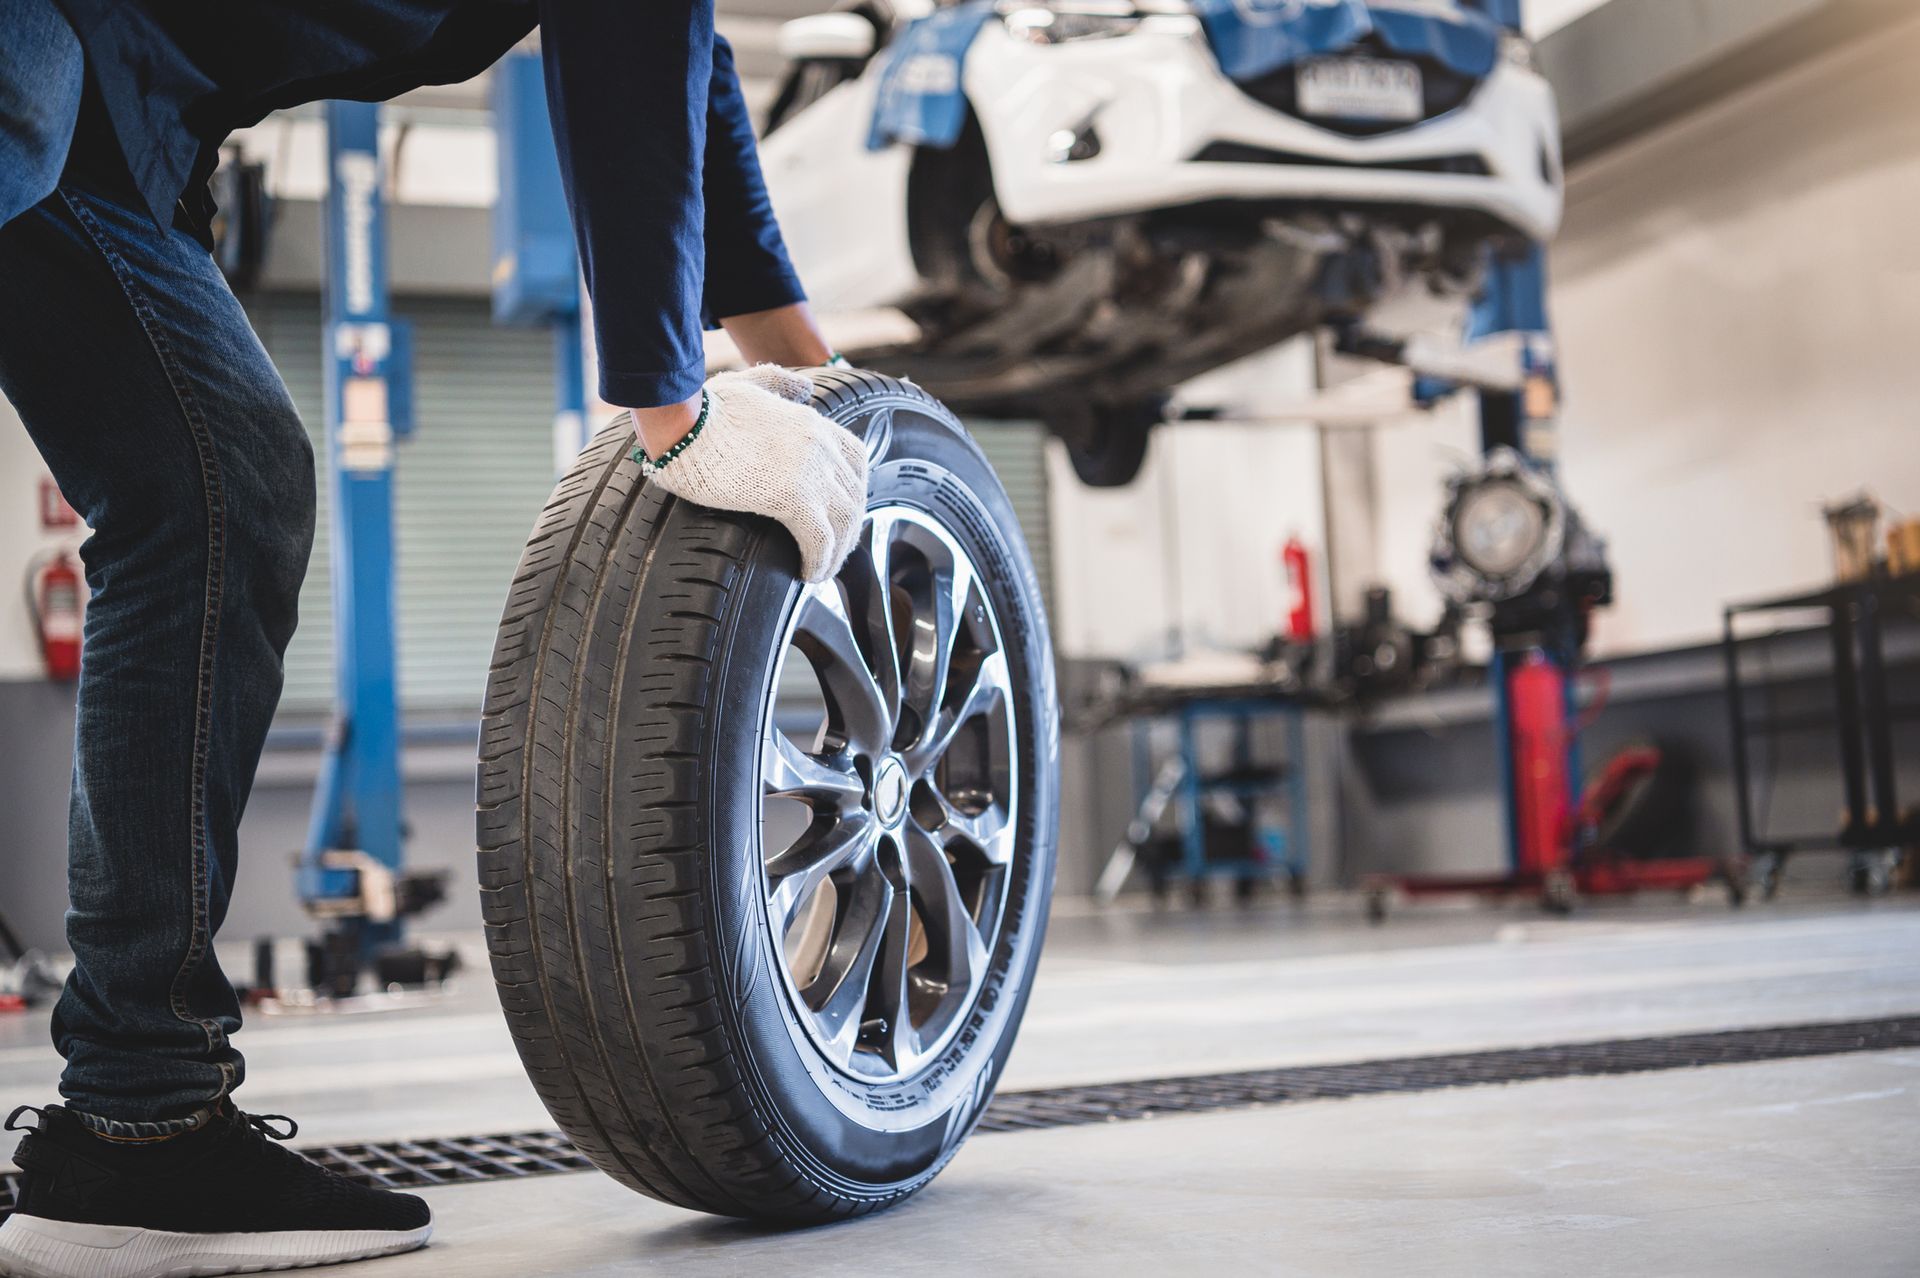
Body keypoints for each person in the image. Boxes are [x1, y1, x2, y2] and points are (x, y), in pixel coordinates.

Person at [0, 1, 867, 1273]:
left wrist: (823, 388)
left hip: (110, 110)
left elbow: (680, 65)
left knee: (215, 485)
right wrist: (671, 408)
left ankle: (138, 1128)